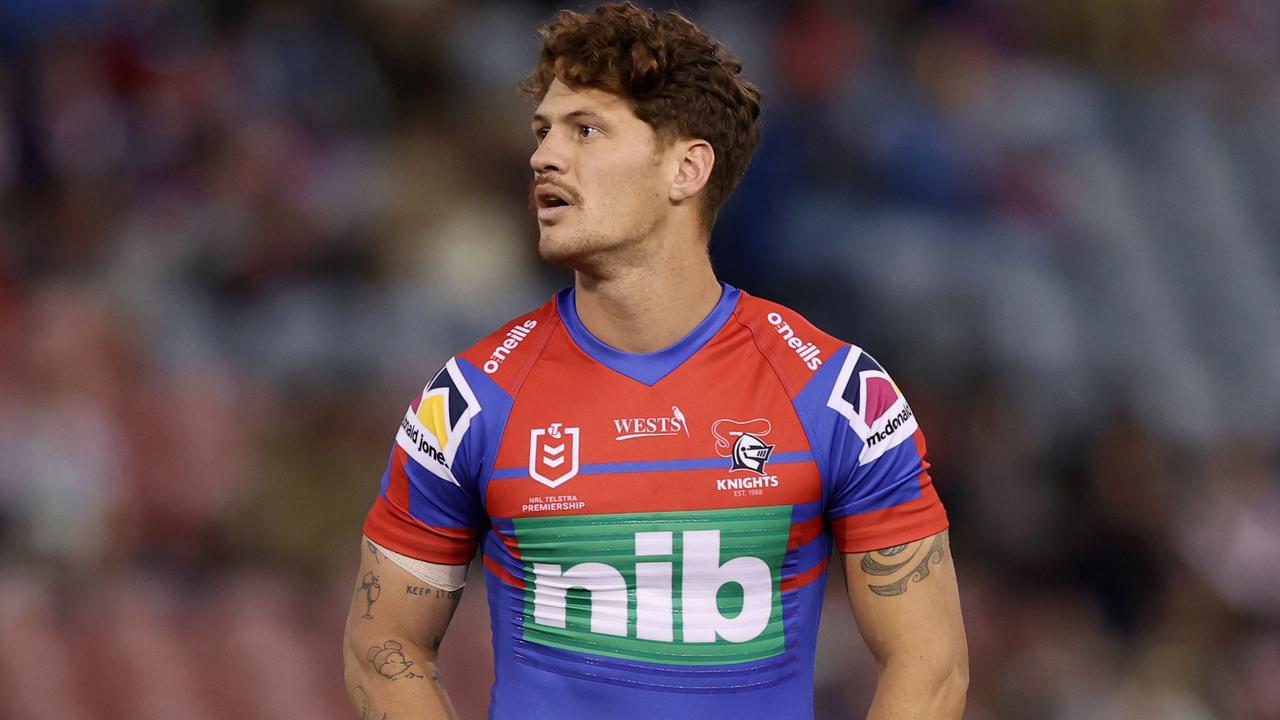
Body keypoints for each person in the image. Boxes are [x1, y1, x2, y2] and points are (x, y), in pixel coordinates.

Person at [342, 3, 967, 718]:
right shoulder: (470, 401)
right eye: (543, 130)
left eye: (586, 130)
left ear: (687, 168)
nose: (544, 155)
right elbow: (383, 645)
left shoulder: (837, 394)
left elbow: (930, 662)